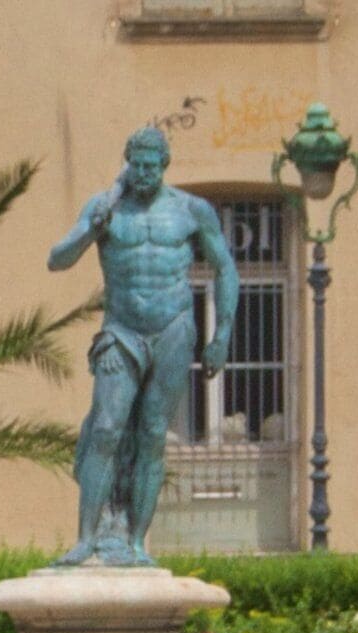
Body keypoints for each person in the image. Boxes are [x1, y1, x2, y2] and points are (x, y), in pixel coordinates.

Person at [46, 126, 239, 568]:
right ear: (127, 165)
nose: (144, 174)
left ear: (164, 167)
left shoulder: (192, 211)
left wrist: (222, 336)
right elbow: (57, 260)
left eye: (152, 167)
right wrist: (89, 232)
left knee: (153, 434)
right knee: (107, 429)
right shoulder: (105, 208)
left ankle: (134, 542)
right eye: (137, 166)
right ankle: (86, 539)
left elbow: (226, 270)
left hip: (173, 329)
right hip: (121, 330)